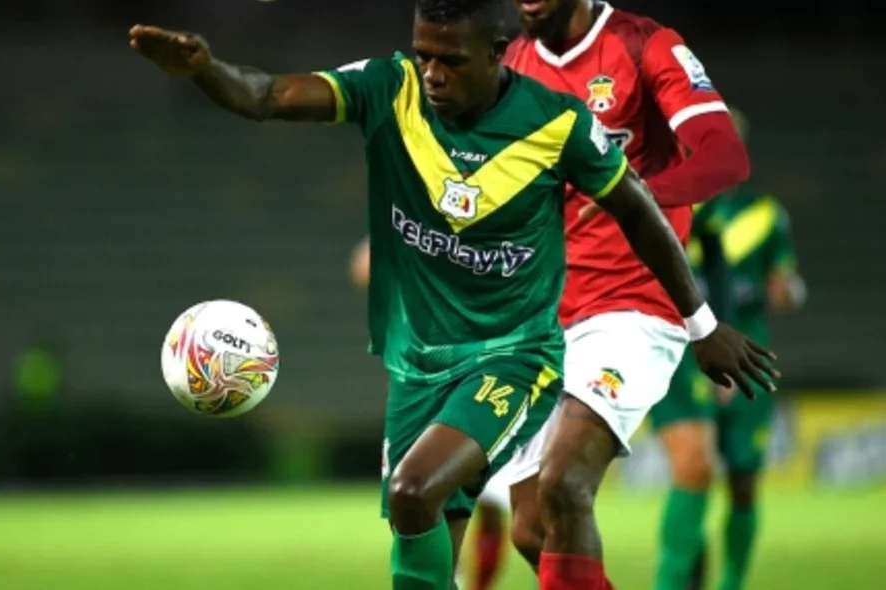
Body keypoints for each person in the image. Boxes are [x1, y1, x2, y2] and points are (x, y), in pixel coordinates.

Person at [131, 1, 775, 587]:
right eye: (425, 57)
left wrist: (699, 318)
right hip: (475, 333)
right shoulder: (431, 77)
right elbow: (274, 96)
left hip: (569, 330)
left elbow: (686, 180)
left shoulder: (607, 78)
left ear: (491, 54)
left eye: (449, 60)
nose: (434, 73)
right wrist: (204, 69)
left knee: (540, 485)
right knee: (519, 529)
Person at [468, 1, 756, 587]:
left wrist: (633, 193)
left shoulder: (644, 46)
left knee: (565, 481)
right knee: (530, 529)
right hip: (543, 314)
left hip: (634, 305)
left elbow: (723, 155)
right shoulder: (513, 63)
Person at [649, 107, 806, 590]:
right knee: (693, 466)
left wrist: (786, 291)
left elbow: (787, 282)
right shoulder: (669, 201)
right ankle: (676, 579)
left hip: (748, 357)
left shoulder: (764, 215)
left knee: (741, 481)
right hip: (679, 355)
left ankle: (729, 582)